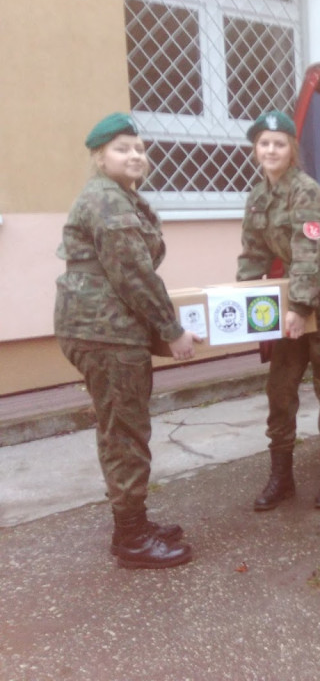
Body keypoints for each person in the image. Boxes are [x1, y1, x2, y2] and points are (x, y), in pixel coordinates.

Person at [54, 112, 199, 569]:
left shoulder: (120, 196)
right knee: (125, 433)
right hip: (106, 331)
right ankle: (131, 538)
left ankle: (134, 521)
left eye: (138, 148)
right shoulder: (107, 202)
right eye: (121, 148)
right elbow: (134, 274)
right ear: (100, 158)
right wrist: (172, 331)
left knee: (123, 427)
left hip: (106, 327)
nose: (134, 154)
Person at [238, 110, 320, 512]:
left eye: (279, 143)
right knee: (280, 388)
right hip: (293, 304)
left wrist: (300, 306)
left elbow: (312, 252)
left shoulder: (305, 191)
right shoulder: (258, 196)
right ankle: (282, 477)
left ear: (292, 150)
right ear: (255, 149)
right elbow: (253, 253)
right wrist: (240, 301)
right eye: (264, 143)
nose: (271, 149)